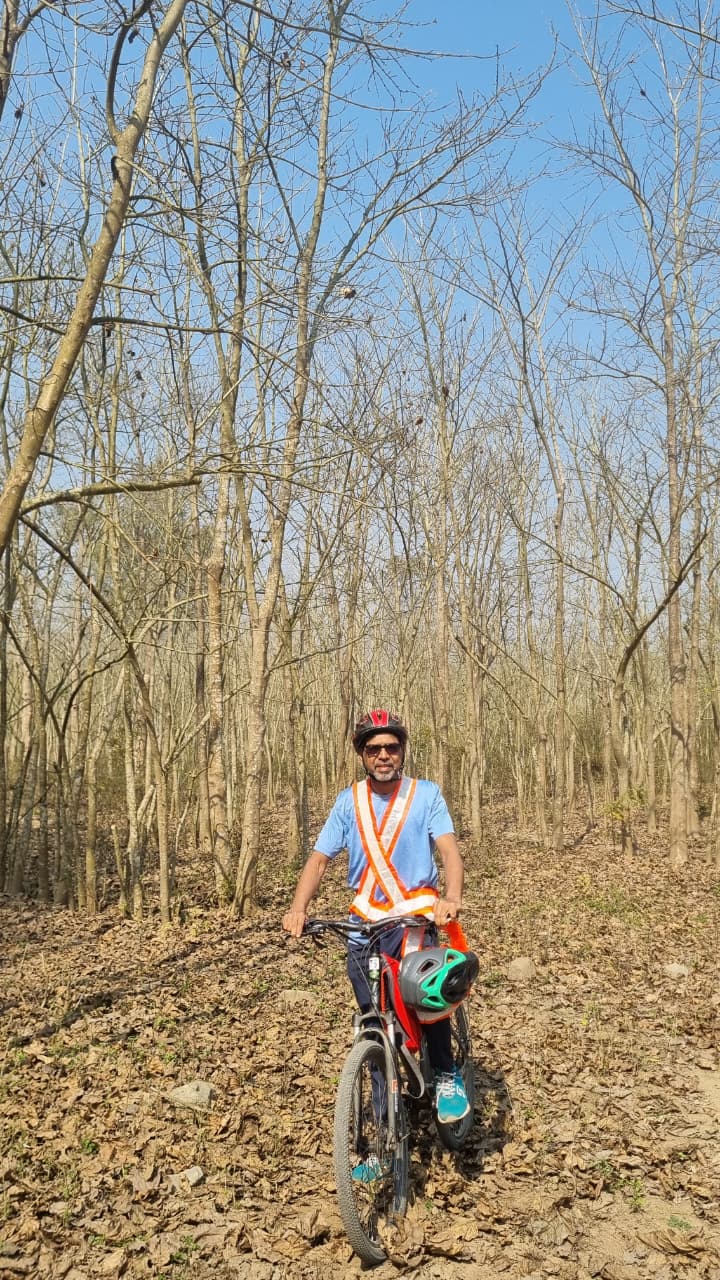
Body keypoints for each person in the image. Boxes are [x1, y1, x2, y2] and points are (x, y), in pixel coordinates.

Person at [282, 708, 470, 1127]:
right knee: (372, 1024)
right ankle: (384, 1127)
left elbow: (449, 851)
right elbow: (319, 860)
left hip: (414, 915)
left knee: (428, 995)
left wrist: (451, 898)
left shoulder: (426, 795)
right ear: (362, 755)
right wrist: (299, 908)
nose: (383, 755)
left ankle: (446, 1074)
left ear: (402, 751)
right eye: (373, 749)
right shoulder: (348, 802)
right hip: (365, 922)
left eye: (391, 747)